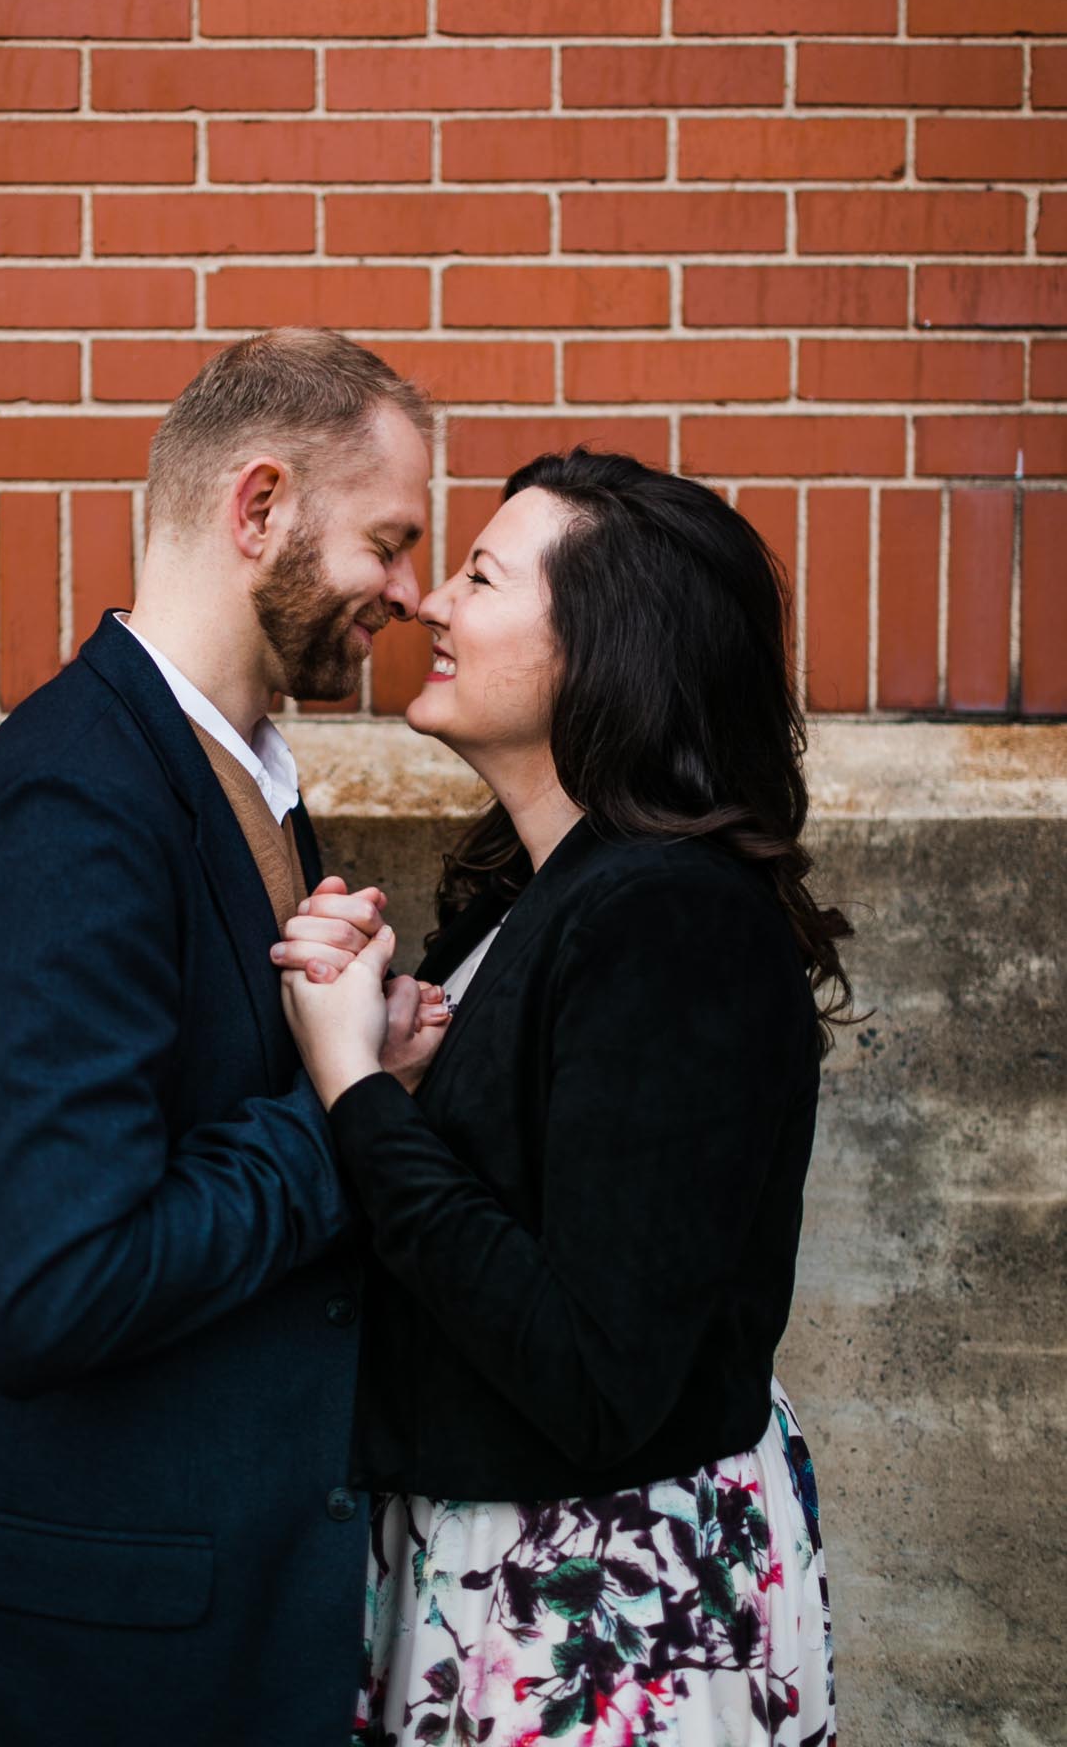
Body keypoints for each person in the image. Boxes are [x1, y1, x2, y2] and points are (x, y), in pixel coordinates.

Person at [0, 328, 435, 1747]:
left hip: (206, 1633)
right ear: (258, 508)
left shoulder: (244, 776)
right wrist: (346, 1103)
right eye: (387, 541)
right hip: (81, 1664)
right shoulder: (73, 807)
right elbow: (53, 1283)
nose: (410, 590)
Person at [276, 449, 848, 1747]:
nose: (430, 605)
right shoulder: (541, 898)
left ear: (603, 648)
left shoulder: (667, 919)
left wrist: (356, 1087)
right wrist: (403, 1059)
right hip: (495, 1570)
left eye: (479, 576)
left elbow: (595, 1376)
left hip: (600, 1614)